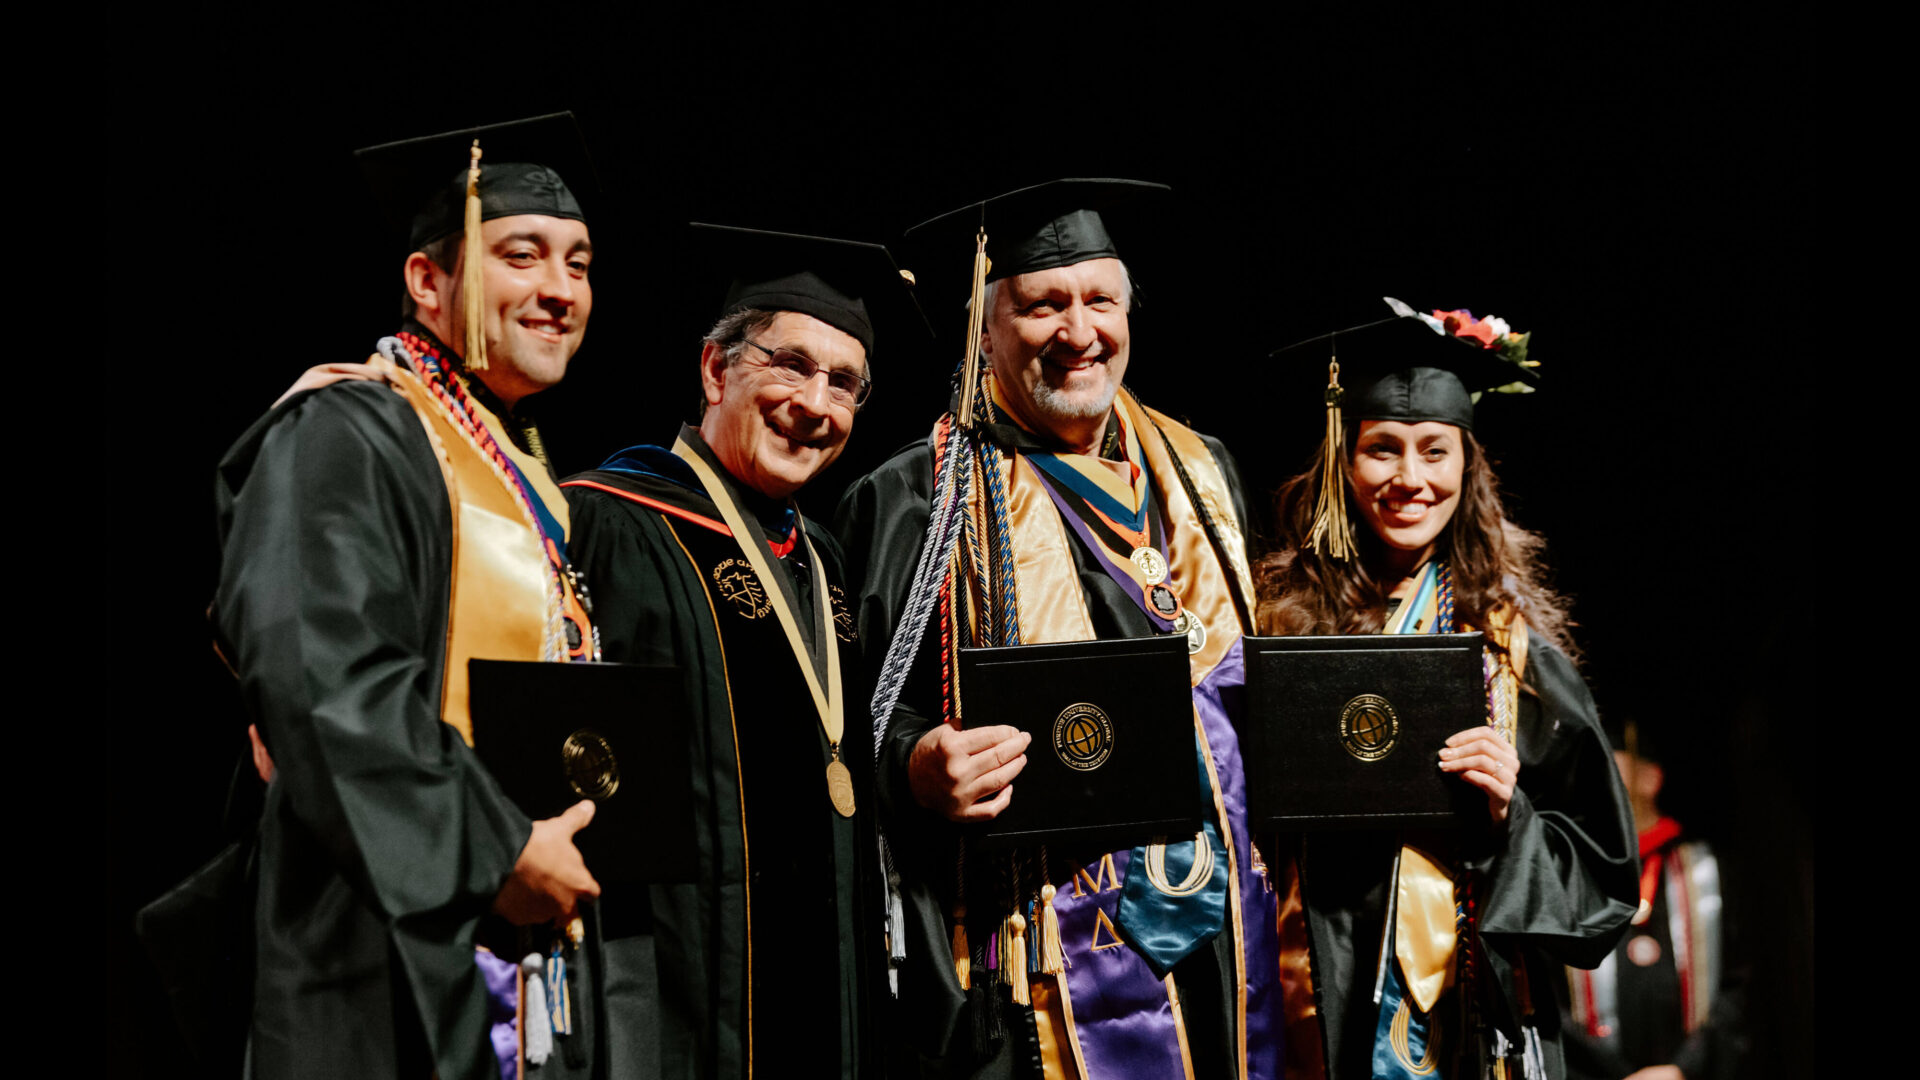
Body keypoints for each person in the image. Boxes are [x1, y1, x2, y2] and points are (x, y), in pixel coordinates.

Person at [836, 179, 1283, 1078]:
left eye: (1100, 301)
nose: (1079, 333)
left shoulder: (1204, 474)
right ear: (985, 328)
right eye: (1043, 305)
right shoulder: (915, 499)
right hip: (1035, 962)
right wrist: (919, 764)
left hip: (1234, 935)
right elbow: (847, 722)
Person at [211, 114, 606, 1080]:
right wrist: (499, 846)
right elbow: (325, 676)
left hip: (521, 944)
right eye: (523, 254)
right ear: (427, 282)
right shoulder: (349, 424)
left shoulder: (516, 464)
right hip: (384, 945)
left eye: (581, 263)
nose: (560, 290)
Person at [559, 225, 927, 1079]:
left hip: (826, 986)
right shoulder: (607, 525)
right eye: (790, 364)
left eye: (845, 383)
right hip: (672, 990)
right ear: (715, 369)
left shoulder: (825, 556)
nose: (817, 403)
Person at [1256, 301, 1639, 1080]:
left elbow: (1604, 875)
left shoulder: (1512, 650)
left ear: (1468, 465)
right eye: (1382, 450)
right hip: (1310, 985)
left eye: (1435, 451)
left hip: (1470, 1009)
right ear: (1341, 462)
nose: (1410, 479)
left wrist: (1510, 815)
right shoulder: (1278, 627)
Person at [1561, 720, 1746, 1080]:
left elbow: (1741, 987)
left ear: (1650, 778)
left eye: (1608, 763)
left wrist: (1684, 1069)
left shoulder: (1708, 870)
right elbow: (1548, 998)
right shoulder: (1566, 875)